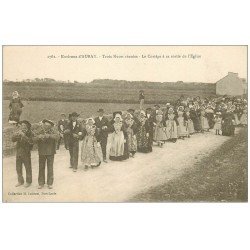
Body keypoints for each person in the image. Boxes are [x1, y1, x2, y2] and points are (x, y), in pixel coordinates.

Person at [34, 119, 59, 189]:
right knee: (41, 167)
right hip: (41, 152)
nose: (46, 127)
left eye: (48, 126)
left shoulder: (53, 131)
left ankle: (50, 183)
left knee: (50, 168)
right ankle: (41, 183)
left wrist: (50, 136)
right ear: (43, 125)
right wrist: (38, 137)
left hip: (50, 152)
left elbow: (58, 137)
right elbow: (33, 138)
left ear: (51, 126)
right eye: (45, 125)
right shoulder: (40, 131)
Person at [12, 120, 34, 188]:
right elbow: (13, 140)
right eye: (21, 126)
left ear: (27, 126)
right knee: (18, 168)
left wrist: (23, 135)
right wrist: (15, 135)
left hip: (26, 152)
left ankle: (28, 182)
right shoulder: (19, 132)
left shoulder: (30, 133)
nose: (22, 127)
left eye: (24, 125)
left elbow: (30, 142)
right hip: (18, 152)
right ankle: (20, 181)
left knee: (28, 167)